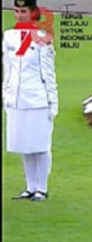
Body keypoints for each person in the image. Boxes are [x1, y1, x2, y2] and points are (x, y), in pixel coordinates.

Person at [4, 0, 57, 202]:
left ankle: (41, 188)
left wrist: (53, 102)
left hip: (38, 99)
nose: (19, 15)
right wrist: (6, 95)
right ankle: (30, 187)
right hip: (17, 99)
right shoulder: (9, 36)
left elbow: (48, 73)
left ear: (33, 12)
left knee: (40, 145)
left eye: (23, 11)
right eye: (16, 11)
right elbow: (8, 69)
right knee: (24, 144)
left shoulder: (42, 38)